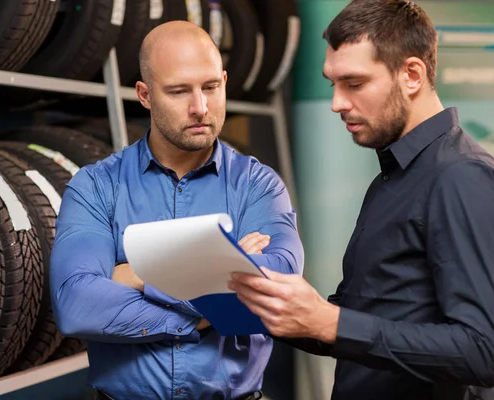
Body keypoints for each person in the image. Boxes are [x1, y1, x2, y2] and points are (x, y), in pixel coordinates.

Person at [228, 1, 494, 399]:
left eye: (353, 83)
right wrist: (272, 304)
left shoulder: (461, 175)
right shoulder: (393, 176)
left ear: (412, 75)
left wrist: (330, 321)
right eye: (332, 84)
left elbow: (483, 351)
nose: (337, 103)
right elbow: (363, 325)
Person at [49, 20, 304, 400]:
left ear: (224, 80)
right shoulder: (96, 186)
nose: (200, 107)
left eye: (211, 87)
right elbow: (77, 306)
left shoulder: (258, 185)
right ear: (145, 94)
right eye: (179, 91)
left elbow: (274, 289)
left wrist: (136, 273)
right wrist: (213, 298)